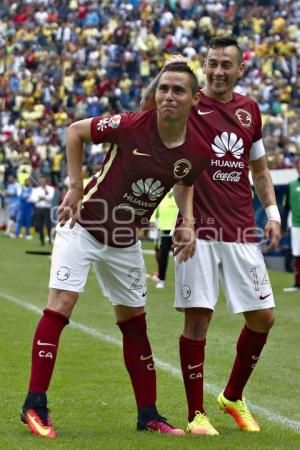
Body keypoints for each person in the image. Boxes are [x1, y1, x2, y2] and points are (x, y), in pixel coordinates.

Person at [20, 63, 212, 439]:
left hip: (125, 242)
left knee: (135, 325)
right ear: (156, 94)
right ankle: (34, 404)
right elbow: (75, 132)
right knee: (61, 303)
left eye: (178, 90)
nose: (169, 96)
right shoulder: (131, 125)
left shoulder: (197, 151)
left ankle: (149, 416)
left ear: (194, 98)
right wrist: (75, 187)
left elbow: (185, 179)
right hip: (83, 227)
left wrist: (187, 220)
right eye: (164, 89)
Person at [141, 37, 281, 435]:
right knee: (198, 320)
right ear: (203, 66)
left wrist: (271, 212)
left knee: (263, 317)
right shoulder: (187, 103)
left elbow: (259, 170)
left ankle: (233, 395)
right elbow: (175, 160)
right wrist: (184, 219)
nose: (218, 71)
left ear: (240, 70)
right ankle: (195, 413)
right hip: (198, 231)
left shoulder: (250, 111)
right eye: (211, 63)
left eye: (226, 65)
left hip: (240, 230)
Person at [150, 189, 178, 289]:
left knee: (180, 257)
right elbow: (154, 208)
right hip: (163, 230)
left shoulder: (179, 194)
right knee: (163, 256)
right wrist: (152, 220)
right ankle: (161, 280)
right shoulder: (161, 194)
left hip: (177, 230)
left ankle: (184, 280)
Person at [283, 158, 300, 292]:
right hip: (296, 225)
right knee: (297, 254)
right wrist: (283, 226)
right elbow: (287, 207)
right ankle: (297, 284)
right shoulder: (291, 185)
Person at [31, 176, 55, 245]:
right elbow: (33, 199)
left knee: (48, 225)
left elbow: (50, 197)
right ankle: (42, 241)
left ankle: (50, 239)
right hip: (39, 209)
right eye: (41, 181)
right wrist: (42, 198)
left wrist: (41, 197)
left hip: (46, 209)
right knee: (39, 225)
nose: (42, 182)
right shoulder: (36, 189)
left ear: (46, 181)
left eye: (44, 181)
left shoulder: (50, 189)